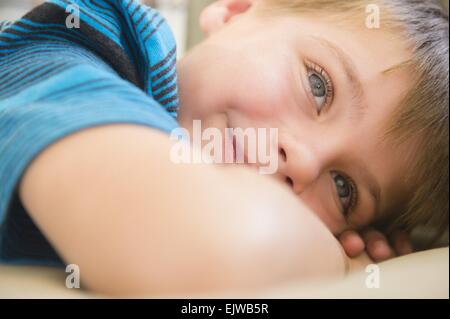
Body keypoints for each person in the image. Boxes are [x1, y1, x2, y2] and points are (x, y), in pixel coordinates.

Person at [0, 0, 447, 296]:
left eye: (345, 189)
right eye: (318, 85)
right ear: (238, 10)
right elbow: (207, 255)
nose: (306, 162)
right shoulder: (76, 45)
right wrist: (340, 264)